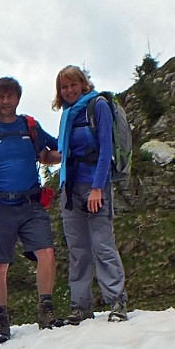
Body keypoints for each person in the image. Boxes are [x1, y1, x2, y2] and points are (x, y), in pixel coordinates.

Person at [0, 77, 63, 341]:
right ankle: (1, 319)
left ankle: (45, 309)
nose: (5, 101)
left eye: (10, 96)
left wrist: (71, 154)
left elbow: (47, 152)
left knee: (46, 251)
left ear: (17, 98)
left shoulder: (30, 125)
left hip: (30, 202)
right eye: (0, 97)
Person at [54, 65, 129, 324]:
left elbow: (106, 146)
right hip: (70, 189)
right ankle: (80, 306)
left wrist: (98, 187)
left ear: (83, 84)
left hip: (94, 186)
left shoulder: (97, 106)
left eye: (73, 85)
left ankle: (117, 301)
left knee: (102, 244)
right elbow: (62, 151)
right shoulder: (68, 114)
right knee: (78, 249)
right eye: (64, 87)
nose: (69, 90)